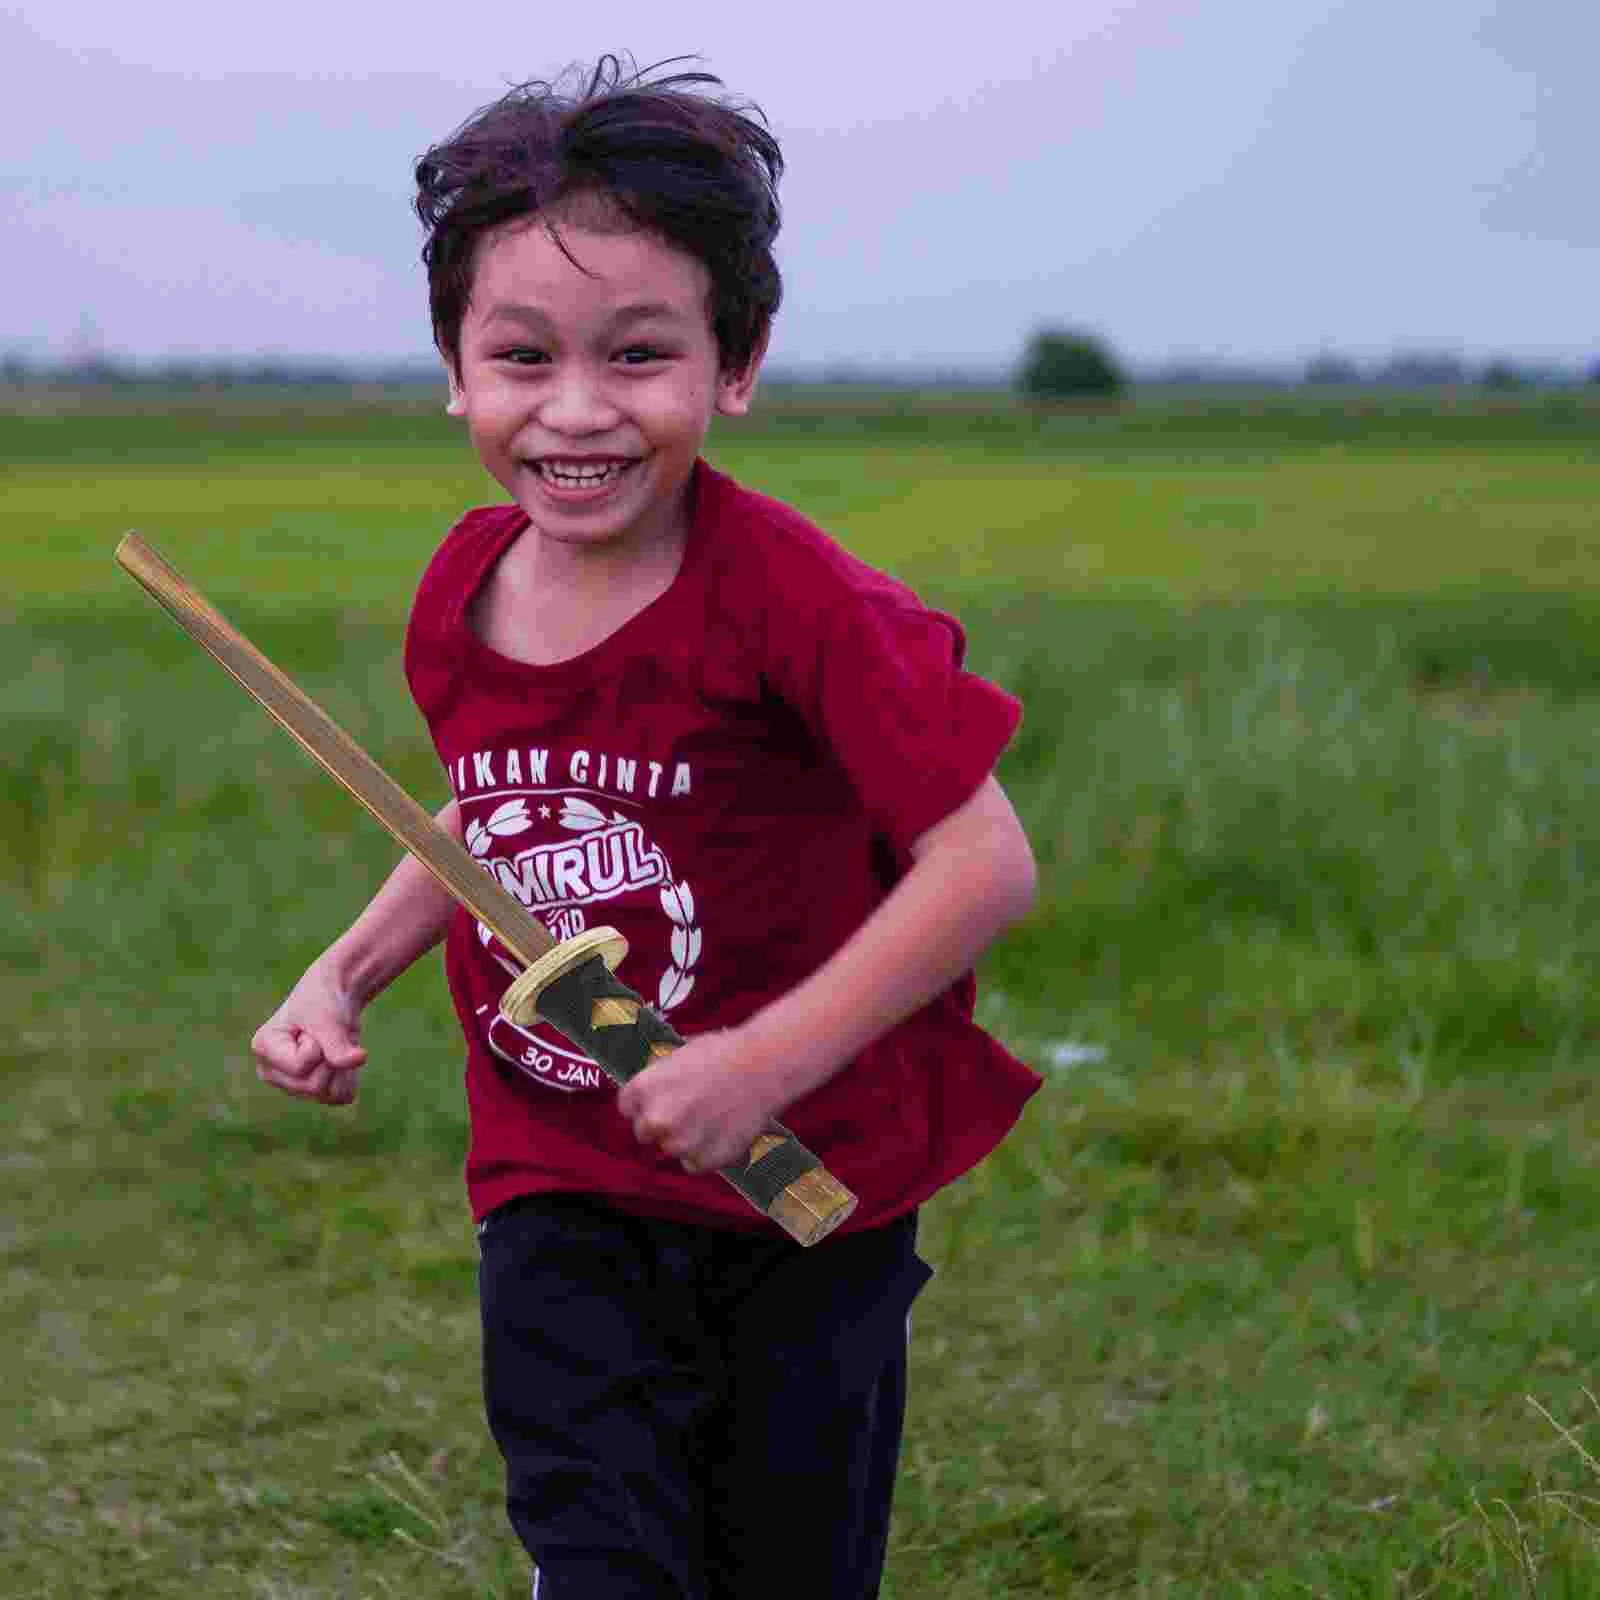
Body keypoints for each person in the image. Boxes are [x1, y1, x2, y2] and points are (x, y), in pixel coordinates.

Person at [251, 54, 1042, 1600]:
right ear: (454, 367)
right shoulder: (462, 588)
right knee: (598, 1548)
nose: (576, 410)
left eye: (637, 354)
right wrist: (341, 976)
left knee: (783, 1567)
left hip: (803, 1185)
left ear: (733, 364)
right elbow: (484, 822)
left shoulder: (800, 604)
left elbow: (985, 863)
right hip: (560, 1172)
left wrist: (760, 1064)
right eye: (521, 355)